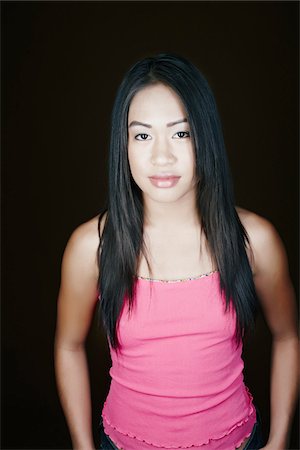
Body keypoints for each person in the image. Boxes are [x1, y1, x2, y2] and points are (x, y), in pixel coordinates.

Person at [54, 54, 298, 450]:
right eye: (143, 135)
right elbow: (68, 345)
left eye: (181, 134)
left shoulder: (254, 240)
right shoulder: (92, 247)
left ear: (207, 138)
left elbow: (288, 336)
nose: (162, 156)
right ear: (123, 144)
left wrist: (281, 438)